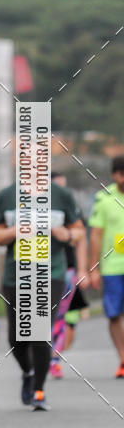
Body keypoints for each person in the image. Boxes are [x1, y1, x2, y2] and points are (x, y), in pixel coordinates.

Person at [0, 171, 84, 410]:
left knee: (40, 334)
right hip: (15, 275)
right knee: (16, 339)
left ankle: (39, 391)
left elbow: (79, 230)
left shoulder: (61, 195)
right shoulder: (7, 195)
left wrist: (68, 234)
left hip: (51, 272)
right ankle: (29, 372)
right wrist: (17, 230)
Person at [48, 173, 89, 378]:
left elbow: (81, 238)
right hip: (40, 267)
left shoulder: (71, 207)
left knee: (60, 316)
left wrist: (83, 269)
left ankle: (54, 359)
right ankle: (39, 357)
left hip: (67, 269)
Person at [88, 155, 124, 378]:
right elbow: (96, 235)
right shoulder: (104, 199)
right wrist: (93, 268)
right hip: (112, 268)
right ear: (115, 175)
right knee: (113, 315)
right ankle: (122, 357)